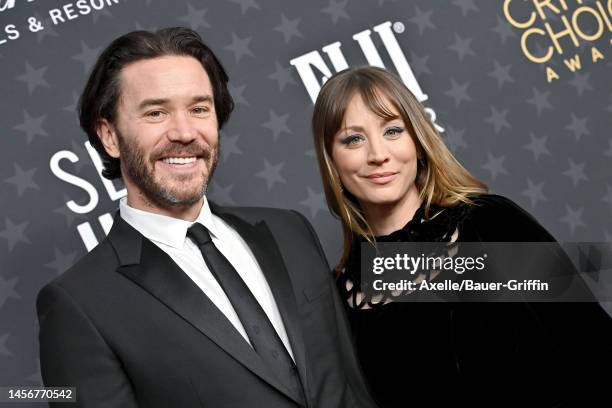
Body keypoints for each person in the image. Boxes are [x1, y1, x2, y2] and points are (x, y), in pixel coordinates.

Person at [36, 28, 378, 408]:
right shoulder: (79, 305)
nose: (184, 132)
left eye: (199, 108)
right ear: (110, 136)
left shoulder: (288, 230)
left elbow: (349, 381)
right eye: (156, 112)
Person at [311, 66, 612, 407]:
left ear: (418, 142)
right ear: (331, 159)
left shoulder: (490, 225)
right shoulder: (341, 297)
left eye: (393, 130)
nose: (378, 154)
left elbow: (593, 348)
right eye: (353, 139)